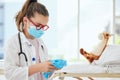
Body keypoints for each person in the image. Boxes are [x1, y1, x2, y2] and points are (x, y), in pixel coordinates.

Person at [4, 0, 56, 80]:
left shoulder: (40, 43)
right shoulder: (13, 43)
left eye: (43, 27)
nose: (41, 30)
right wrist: (38, 67)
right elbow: (10, 74)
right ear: (25, 21)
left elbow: (43, 74)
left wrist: (51, 67)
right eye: (38, 25)